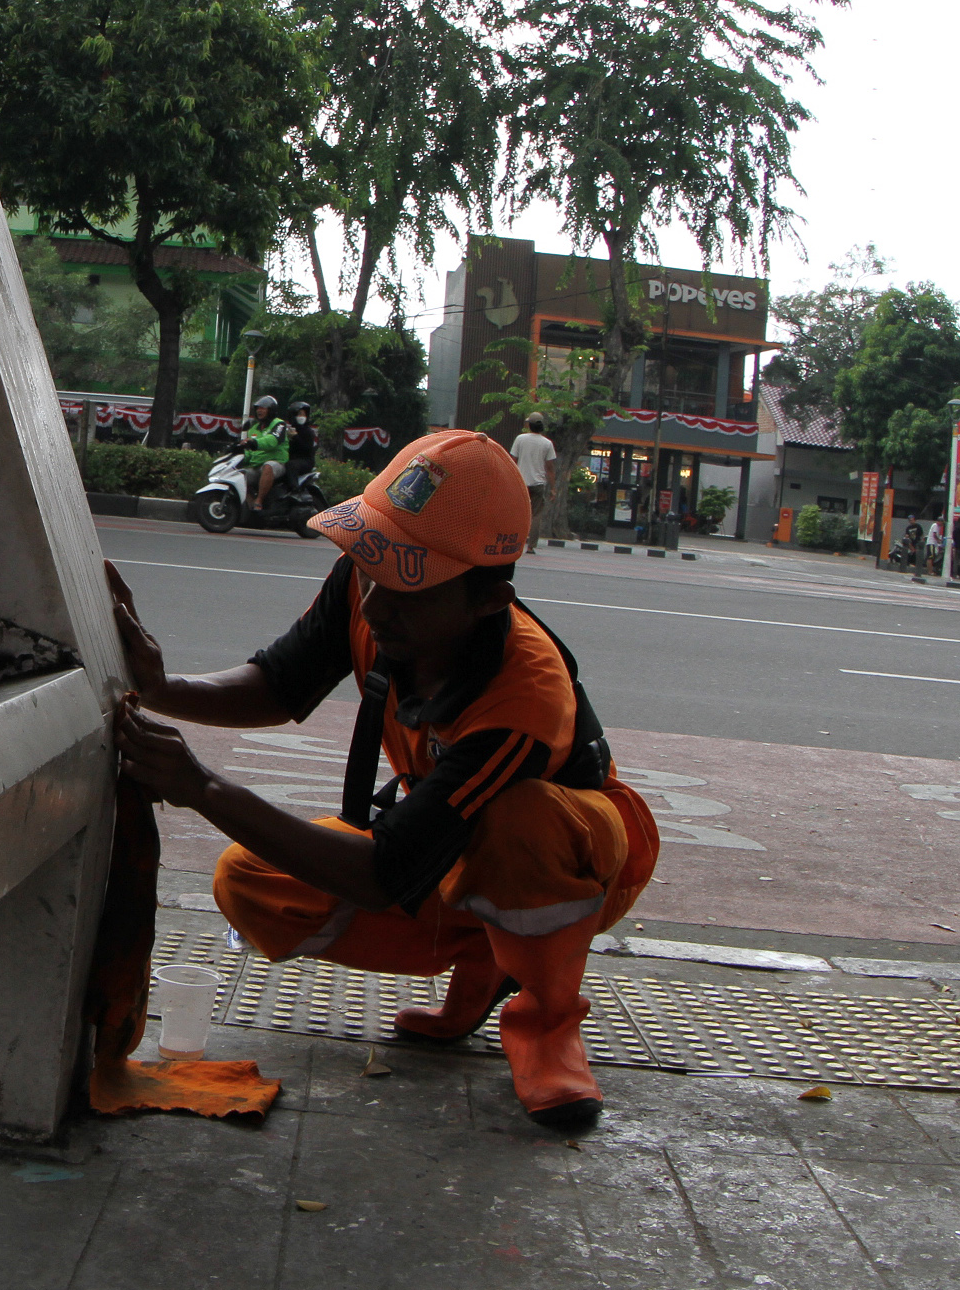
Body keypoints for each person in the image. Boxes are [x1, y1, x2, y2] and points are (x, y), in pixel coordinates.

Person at [110, 430, 659, 1128]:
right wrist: (161, 687)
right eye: (366, 565)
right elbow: (280, 683)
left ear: (486, 601)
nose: (372, 605)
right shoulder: (370, 584)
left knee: (521, 818)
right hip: (447, 848)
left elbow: (382, 872)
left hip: (576, 857)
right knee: (249, 881)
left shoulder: (524, 698)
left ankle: (547, 1024)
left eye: (406, 584)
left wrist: (201, 786)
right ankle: (492, 958)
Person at [256, 400, 319, 511]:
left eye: (303, 415)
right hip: (289, 458)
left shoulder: (308, 431)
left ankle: (295, 491)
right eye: (299, 414)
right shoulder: (286, 430)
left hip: (305, 460)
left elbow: (306, 448)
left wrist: (295, 437)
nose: (301, 417)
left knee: (291, 465)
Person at [509, 413, 556, 541]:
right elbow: (550, 468)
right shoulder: (547, 443)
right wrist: (553, 488)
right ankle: (531, 545)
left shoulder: (520, 439)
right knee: (536, 515)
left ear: (529, 425)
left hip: (521, 483)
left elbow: (513, 461)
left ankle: (516, 541)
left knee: (519, 513)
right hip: (538, 484)